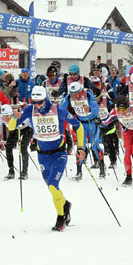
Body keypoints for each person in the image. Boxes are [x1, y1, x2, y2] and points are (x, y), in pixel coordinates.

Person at [12, 86, 86, 231]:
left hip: (59, 153)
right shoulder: (29, 109)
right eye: (34, 102)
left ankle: (61, 217)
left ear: (45, 99)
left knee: (52, 185)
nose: (37, 105)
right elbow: (11, 127)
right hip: (42, 155)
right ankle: (65, 204)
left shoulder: (57, 110)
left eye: (40, 102)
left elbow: (79, 126)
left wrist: (81, 147)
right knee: (52, 187)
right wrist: (14, 117)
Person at [60, 81, 101, 180]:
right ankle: (79, 172)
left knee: (94, 146)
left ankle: (102, 168)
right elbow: (62, 107)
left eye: (76, 94)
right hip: (81, 124)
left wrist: (90, 109)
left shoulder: (88, 95)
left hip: (91, 122)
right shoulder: (69, 96)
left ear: (81, 91)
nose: (75, 96)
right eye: (73, 94)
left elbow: (96, 109)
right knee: (80, 147)